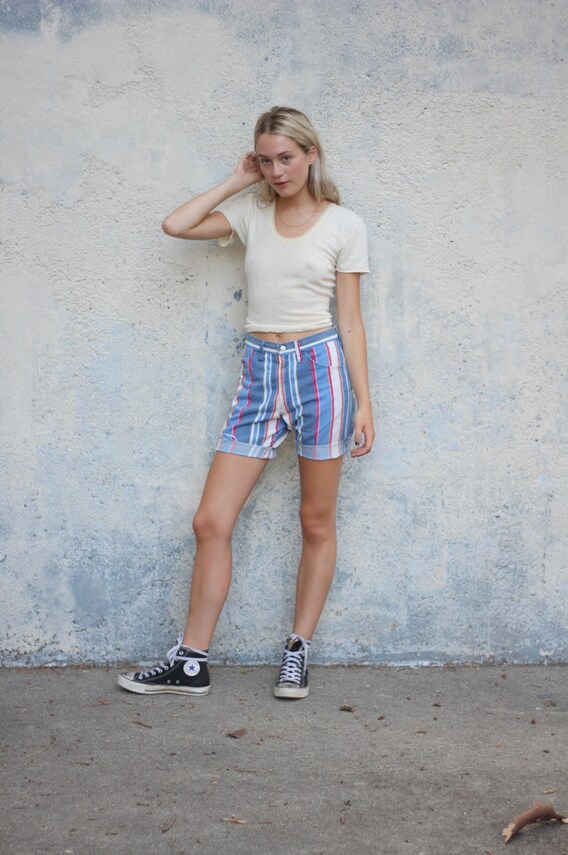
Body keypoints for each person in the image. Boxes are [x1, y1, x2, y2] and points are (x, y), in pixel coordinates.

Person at [117, 106, 374, 700]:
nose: (277, 170)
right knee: (210, 520)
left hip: (320, 369)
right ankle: (190, 662)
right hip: (260, 371)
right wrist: (238, 180)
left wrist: (365, 404)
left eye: (286, 157)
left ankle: (297, 650)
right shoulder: (250, 213)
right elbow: (175, 226)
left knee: (315, 521)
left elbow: (352, 323)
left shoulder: (345, 225)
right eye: (266, 159)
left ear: (311, 154)